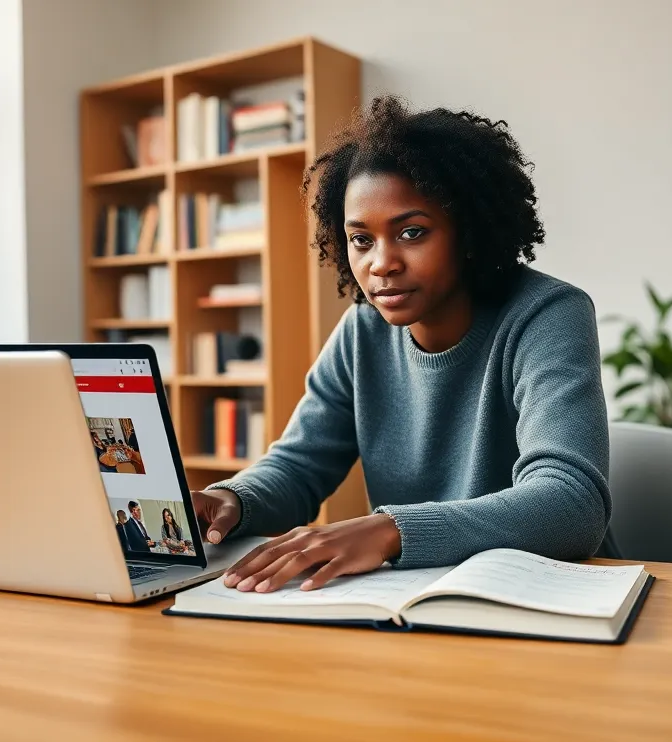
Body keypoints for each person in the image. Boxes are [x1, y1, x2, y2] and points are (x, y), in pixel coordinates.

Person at [188, 95, 616, 594]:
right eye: (361, 240)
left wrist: (391, 530)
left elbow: (571, 504)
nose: (381, 263)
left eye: (412, 233)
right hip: (415, 596)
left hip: (547, 595)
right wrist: (233, 500)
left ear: (469, 231)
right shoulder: (362, 332)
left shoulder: (546, 315)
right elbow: (299, 466)